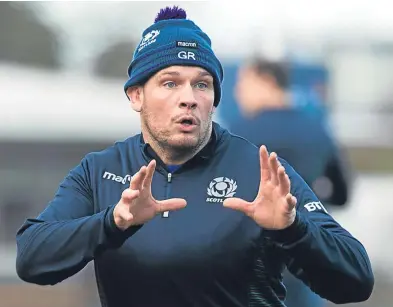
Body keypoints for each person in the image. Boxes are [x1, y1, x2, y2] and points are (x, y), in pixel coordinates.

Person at [15, 6, 373, 307]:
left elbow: (357, 280)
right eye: (170, 83)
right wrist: (113, 223)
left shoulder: (259, 170)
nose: (189, 97)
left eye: (202, 84)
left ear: (214, 99)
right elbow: (32, 259)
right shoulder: (100, 171)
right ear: (136, 95)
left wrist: (294, 229)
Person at [230, 57, 353, 307]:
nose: (237, 92)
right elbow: (342, 193)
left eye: (243, 83)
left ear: (266, 81)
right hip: (310, 256)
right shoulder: (317, 129)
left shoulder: (239, 132)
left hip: (255, 263)